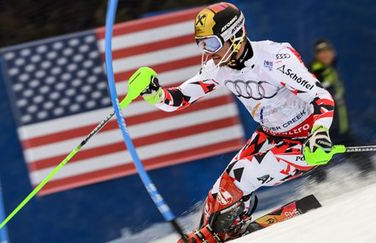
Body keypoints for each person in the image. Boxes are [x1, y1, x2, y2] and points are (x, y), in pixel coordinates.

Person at [128, 2, 335, 242]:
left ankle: (221, 232)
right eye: (202, 44)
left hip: (305, 143)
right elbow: (180, 99)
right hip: (269, 136)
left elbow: (320, 96)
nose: (208, 51)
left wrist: (319, 132)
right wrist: (153, 93)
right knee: (218, 194)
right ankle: (218, 232)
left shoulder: (275, 58)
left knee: (242, 175)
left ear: (235, 36)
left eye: (212, 43)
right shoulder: (217, 67)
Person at [308, 40, 373, 181]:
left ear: (333, 52)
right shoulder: (314, 71)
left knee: (367, 164)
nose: (324, 54)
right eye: (320, 52)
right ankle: (315, 194)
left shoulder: (331, 70)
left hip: (342, 132)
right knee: (318, 170)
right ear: (316, 55)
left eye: (327, 51)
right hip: (325, 132)